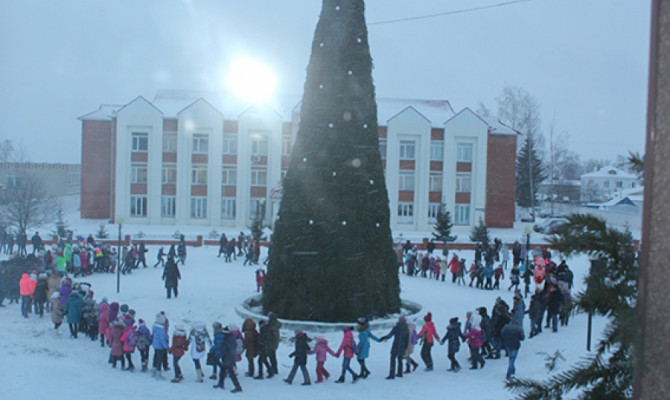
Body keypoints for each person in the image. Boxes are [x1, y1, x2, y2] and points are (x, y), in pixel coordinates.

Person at [213, 325, 243, 392]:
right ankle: (221, 383)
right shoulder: (232, 338)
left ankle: (237, 386)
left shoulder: (225, 340)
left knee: (230, 373)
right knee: (223, 371)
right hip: (231, 357)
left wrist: (219, 354)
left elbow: (222, 350)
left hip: (226, 358)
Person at [152, 312, 170, 380]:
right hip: (160, 347)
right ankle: (159, 374)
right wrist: (166, 347)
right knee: (160, 360)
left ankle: (154, 370)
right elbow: (163, 340)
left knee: (156, 357)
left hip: (155, 345)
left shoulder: (155, 327)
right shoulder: (162, 330)